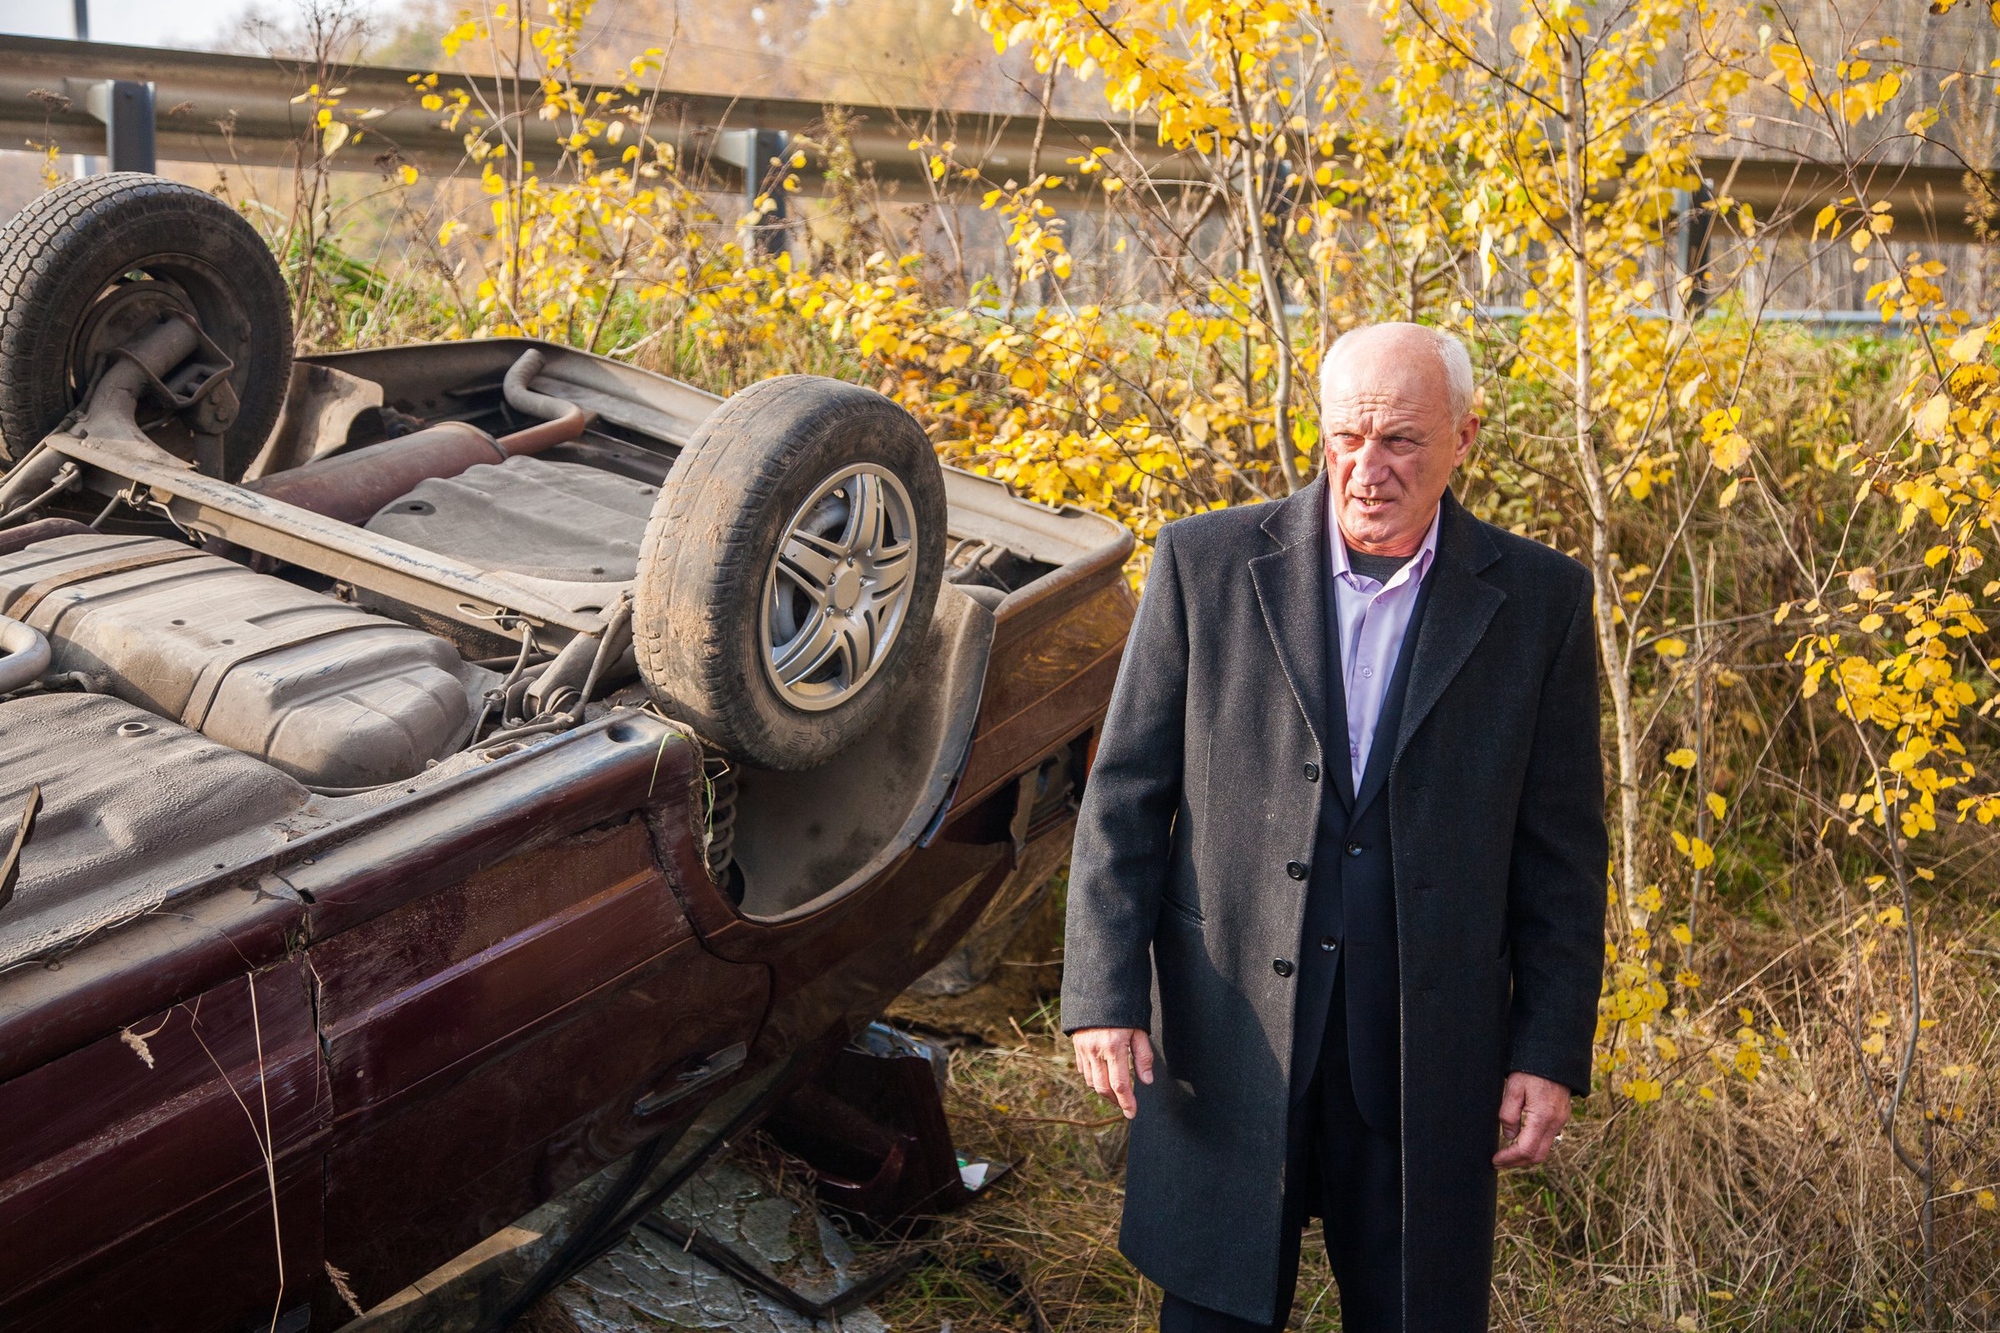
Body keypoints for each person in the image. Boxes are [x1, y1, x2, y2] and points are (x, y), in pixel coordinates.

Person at [1061, 322, 1609, 1332]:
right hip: (1228, 1040)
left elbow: (1562, 856)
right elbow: (1124, 799)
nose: (1367, 467)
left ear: (1464, 439)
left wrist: (1545, 1046)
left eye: (1400, 439)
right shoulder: (1205, 564)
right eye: (1345, 436)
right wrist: (1101, 993)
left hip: (1427, 1055)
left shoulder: (1539, 602)